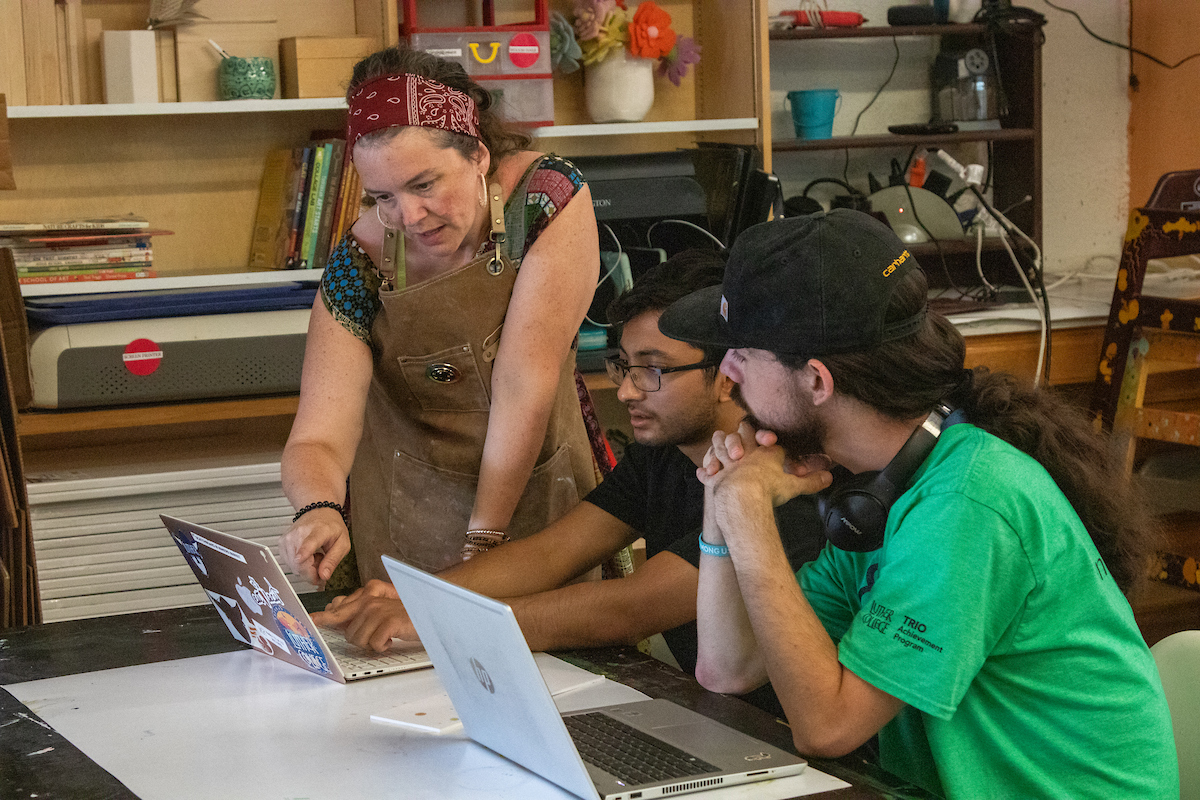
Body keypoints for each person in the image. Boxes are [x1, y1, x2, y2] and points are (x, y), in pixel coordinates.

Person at [657, 210, 1179, 798]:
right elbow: (727, 671)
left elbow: (827, 727)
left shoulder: (967, 503)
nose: (726, 373)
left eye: (743, 354)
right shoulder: (878, 486)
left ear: (819, 382)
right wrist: (721, 500)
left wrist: (750, 513)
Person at [313, 251, 828, 711]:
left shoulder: (780, 478)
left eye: (652, 370)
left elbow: (632, 608)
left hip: (789, 740)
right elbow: (549, 554)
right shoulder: (666, 456)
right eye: (622, 365)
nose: (626, 391)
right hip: (720, 716)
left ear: (727, 373)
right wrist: (411, 597)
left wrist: (446, 622)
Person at [279, 46, 602, 587]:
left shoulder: (544, 200)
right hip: (406, 519)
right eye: (382, 196)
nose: (407, 217)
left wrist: (483, 544)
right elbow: (318, 436)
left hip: (541, 502)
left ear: (477, 155)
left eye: (424, 185)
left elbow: (524, 383)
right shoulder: (359, 261)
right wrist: (317, 508)